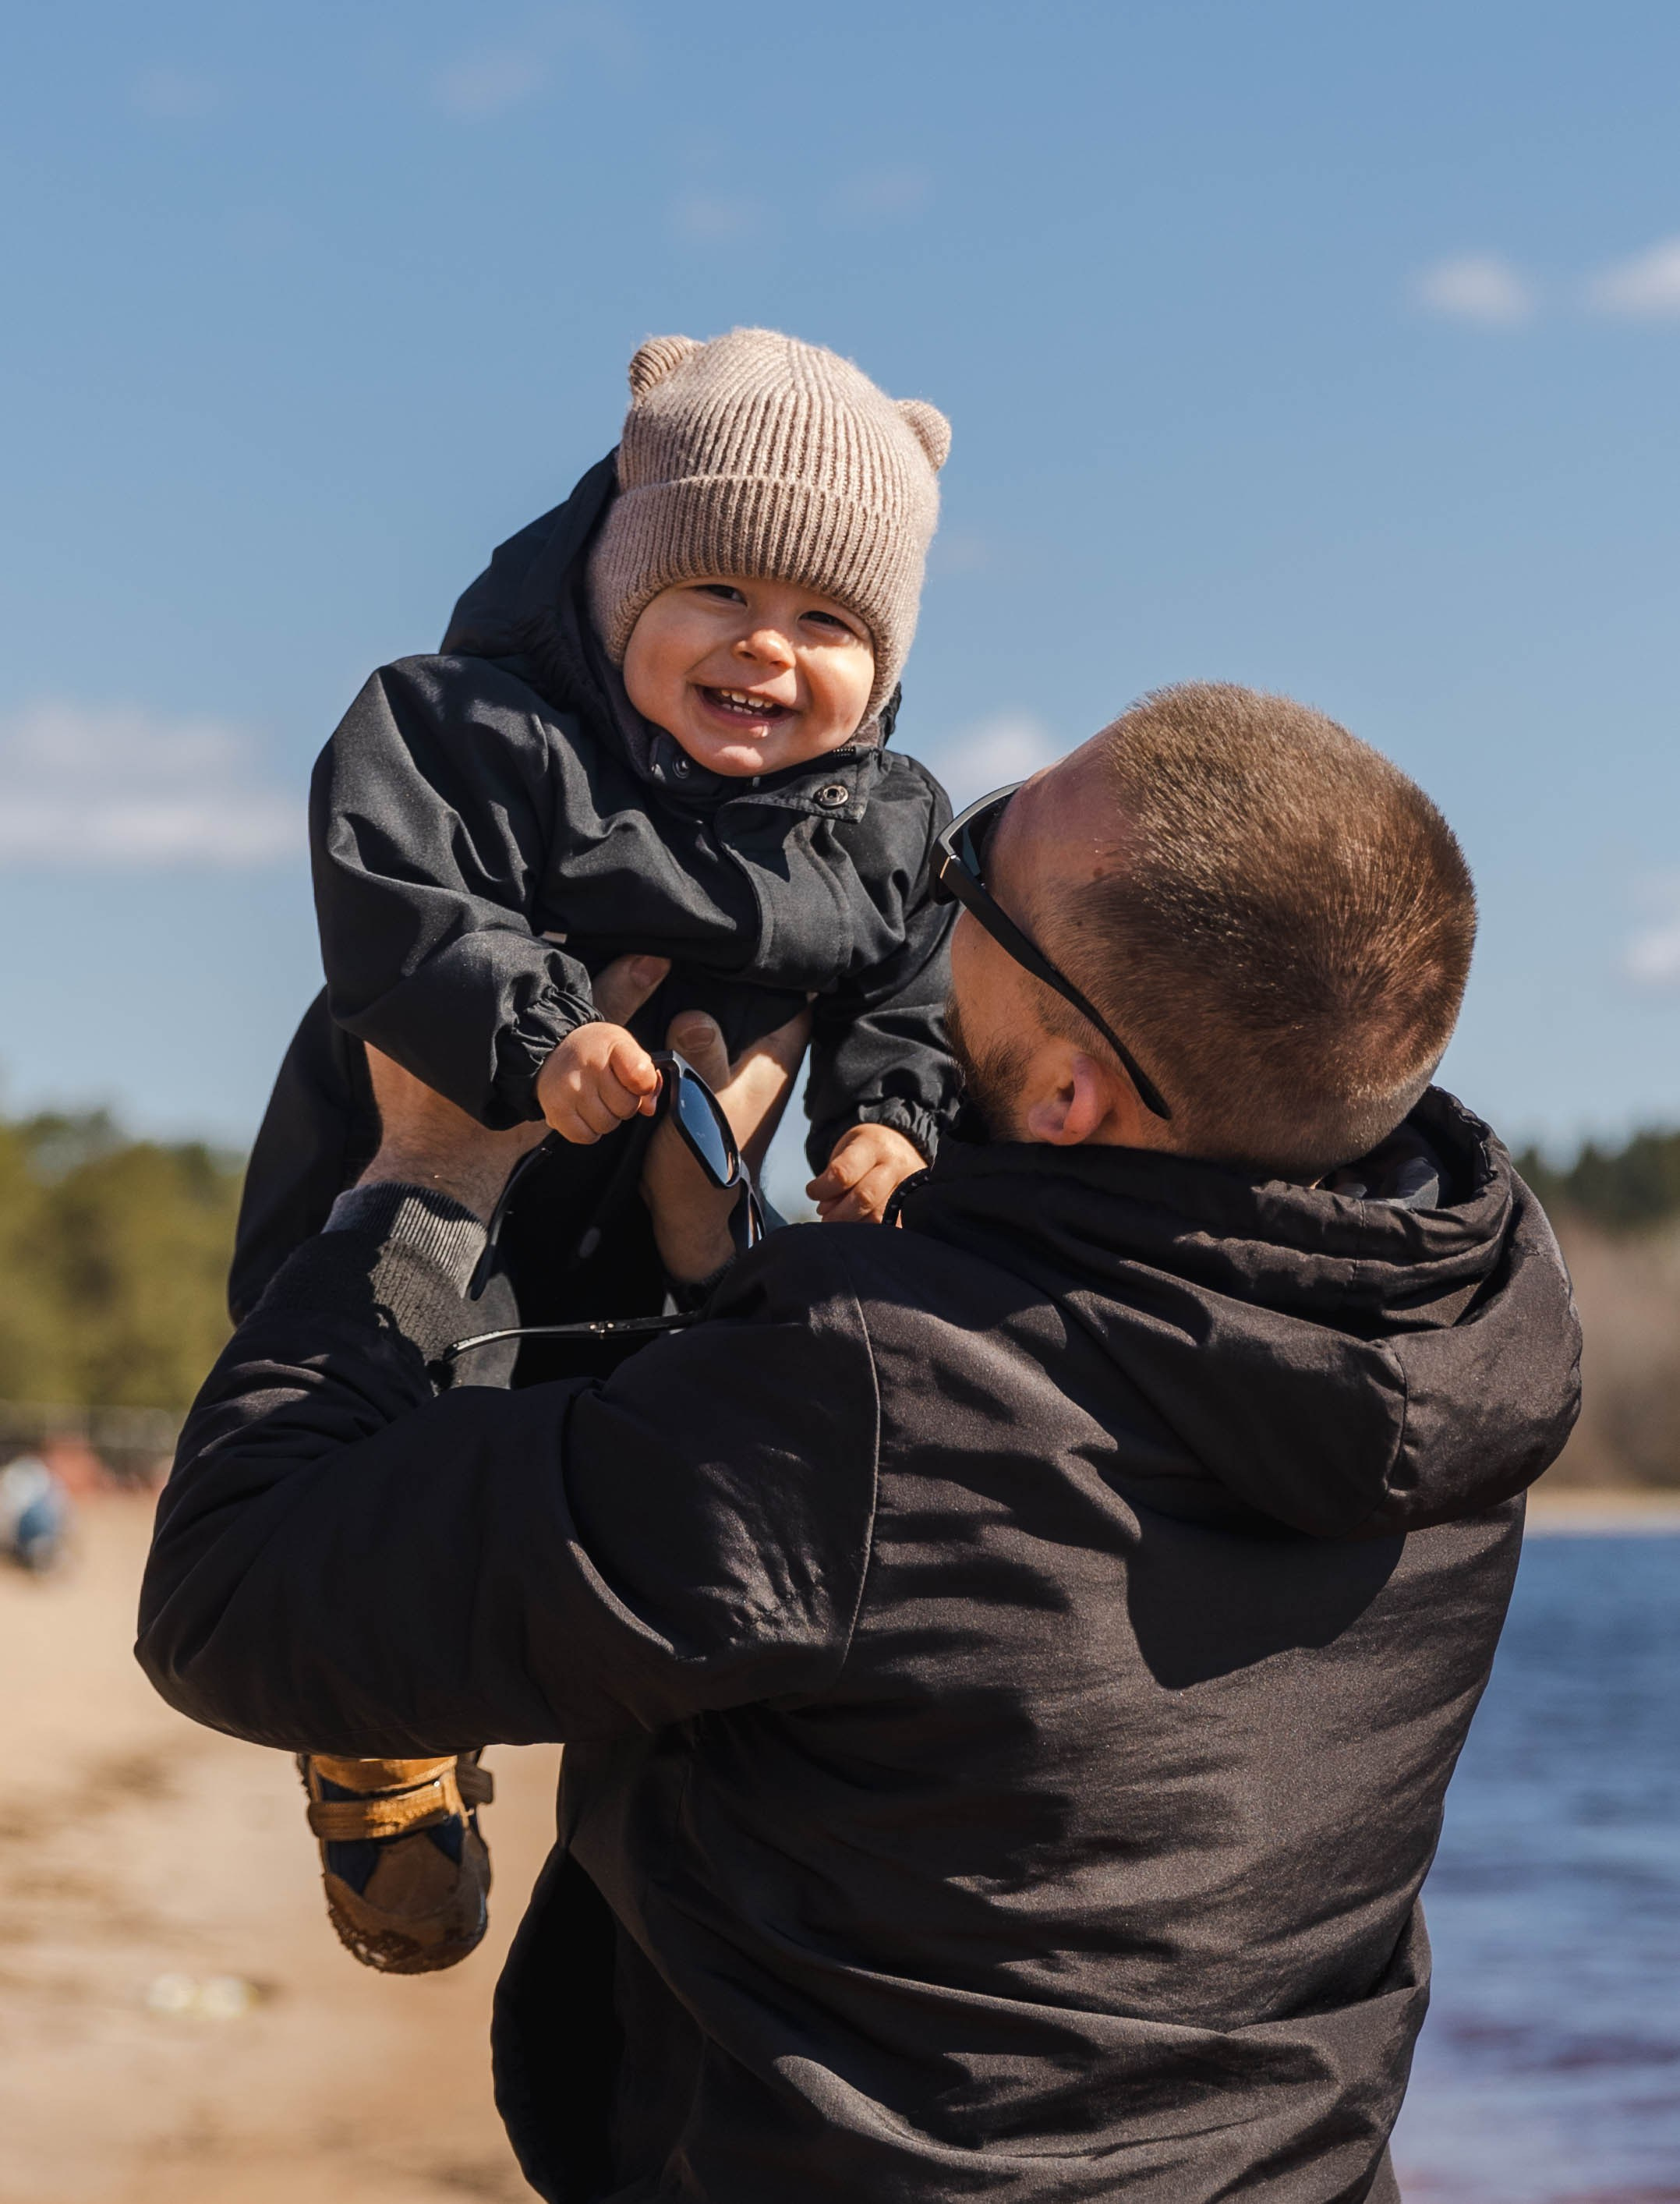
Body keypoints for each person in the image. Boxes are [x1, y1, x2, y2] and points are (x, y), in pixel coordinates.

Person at [139, 684, 1582, 2202]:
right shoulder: (1461, 1338)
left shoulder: (870, 1392)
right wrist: (717, 1263)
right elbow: (935, 1603)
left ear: (1075, 1089)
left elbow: (239, 1588)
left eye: (963, 877)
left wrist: (427, 1181)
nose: (928, 914)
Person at [232, 327, 961, 1964]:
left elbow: (919, 989)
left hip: (660, 1248)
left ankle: (699, 1838)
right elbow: (398, 898)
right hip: (441, 1179)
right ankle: (384, 1775)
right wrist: (536, 1030)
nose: (769, 651)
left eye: (828, 621)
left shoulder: (886, 822)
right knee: (390, 1494)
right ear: (622, 589)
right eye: (720, 596)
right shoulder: (470, 729)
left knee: (665, 1500)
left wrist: (888, 1127)